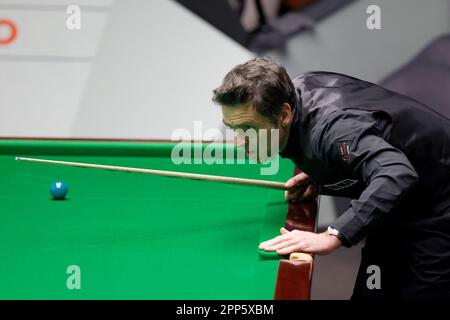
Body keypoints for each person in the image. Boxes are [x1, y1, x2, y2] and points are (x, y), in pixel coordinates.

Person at [212, 57, 450, 299]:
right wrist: (324, 172)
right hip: (399, 204)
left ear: (283, 114)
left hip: (439, 209)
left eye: (247, 129)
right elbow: (364, 141)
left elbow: (396, 173)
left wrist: (333, 235)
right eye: (233, 129)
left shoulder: (334, 132)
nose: (238, 142)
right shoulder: (293, 94)